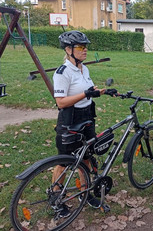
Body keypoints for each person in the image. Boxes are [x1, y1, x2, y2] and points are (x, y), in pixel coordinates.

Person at [52, 30, 105, 217]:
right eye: (81, 47)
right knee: (65, 160)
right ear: (68, 49)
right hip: (70, 118)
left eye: (86, 47)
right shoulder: (63, 72)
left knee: (86, 157)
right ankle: (57, 197)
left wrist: (95, 91)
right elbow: (60, 102)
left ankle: (86, 192)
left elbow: (86, 90)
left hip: (87, 116)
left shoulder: (84, 68)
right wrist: (85, 94)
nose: (85, 50)